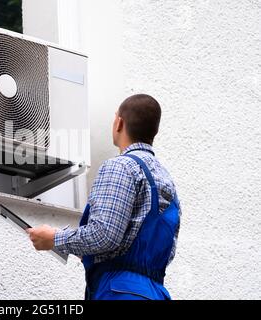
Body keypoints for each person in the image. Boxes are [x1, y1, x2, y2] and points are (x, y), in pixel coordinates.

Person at [27, 94, 181, 300]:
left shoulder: (121, 166)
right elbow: (162, 251)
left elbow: (104, 235)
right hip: (154, 294)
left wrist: (54, 238)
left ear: (119, 123)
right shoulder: (166, 180)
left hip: (119, 293)